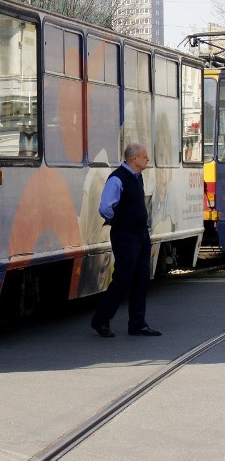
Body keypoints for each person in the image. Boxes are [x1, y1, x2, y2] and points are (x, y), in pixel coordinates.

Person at [90, 143, 162, 338]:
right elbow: (105, 206)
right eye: (145, 156)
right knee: (123, 277)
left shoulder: (137, 177)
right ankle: (101, 320)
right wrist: (118, 220)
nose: (147, 159)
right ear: (134, 159)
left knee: (142, 278)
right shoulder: (117, 178)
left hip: (141, 234)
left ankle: (137, 323)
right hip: (125, 234)